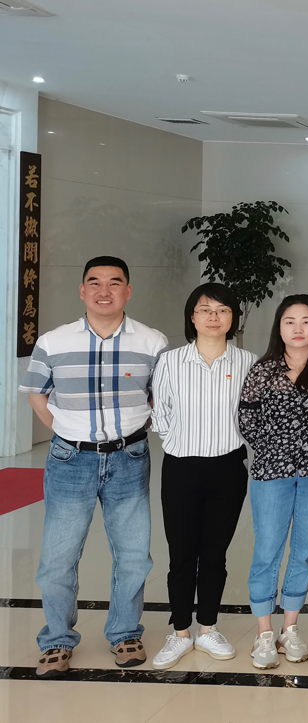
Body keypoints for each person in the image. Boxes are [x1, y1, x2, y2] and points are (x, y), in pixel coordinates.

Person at [20, 256, 168, 677]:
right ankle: (57, 639)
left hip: (129, 458)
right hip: (71, 460)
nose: (105, 291)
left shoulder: (152, 342)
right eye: (95, 283)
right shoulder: (53, 341)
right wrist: (64, 431)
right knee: (58, 558)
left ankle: (125, 633)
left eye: (115, 283)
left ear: (128, 291)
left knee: (134, 555)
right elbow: (35, 392)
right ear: (82, 290)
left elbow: (161, 394)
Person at [149, 283, 257, 669]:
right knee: (181, 555)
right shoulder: (170, 361)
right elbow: (160, 412)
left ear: (233, 318)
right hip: (181, 467)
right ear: (192, 317)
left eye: (222, 310)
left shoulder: (248, 362)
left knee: (214, 554)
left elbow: (254, 414)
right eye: (205, 309)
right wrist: (179, 441)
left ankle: (208, 628)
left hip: (228, 468)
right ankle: (180, 633)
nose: (214, 316)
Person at [239, 294, 308, 670]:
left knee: (305, 551)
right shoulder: (264, 370)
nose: (298, 328)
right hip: (270, 475)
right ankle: (264, 633)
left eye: (306, 321)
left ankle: (289, 628)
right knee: (267, 551)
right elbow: (246, 418)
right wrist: (271, 450)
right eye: (290, 321)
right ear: (279, 327)